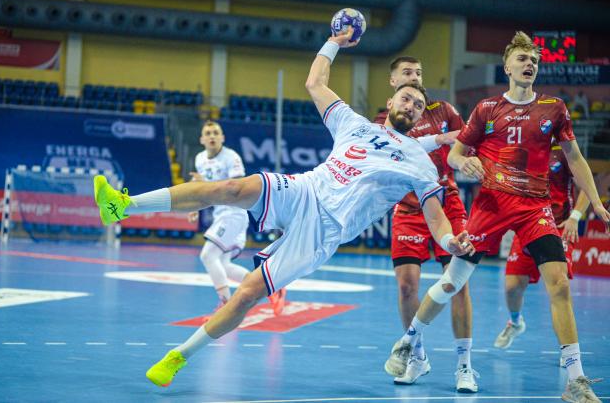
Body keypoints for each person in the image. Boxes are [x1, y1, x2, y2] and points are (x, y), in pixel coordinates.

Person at [92, 27, 475, 387]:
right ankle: (123, 206)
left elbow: (435, 215)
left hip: (323, 232)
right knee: (230, 187)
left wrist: (448, 241)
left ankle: (178, 356)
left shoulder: (419, 162)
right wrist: (334, 42)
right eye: (406, 98)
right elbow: (315, 83)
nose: (411, 106)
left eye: (418, 105)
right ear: (390, 102)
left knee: (248, 292)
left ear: (421, 116)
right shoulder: (354, 123)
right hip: (304, 189)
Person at [385, 31, 609, 403]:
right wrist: (464, 162)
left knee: (559, 285)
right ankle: (409, 340)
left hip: (535, 209)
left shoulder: (554, 108)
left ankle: (576, 380)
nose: (529, 64)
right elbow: (455, 154)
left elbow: (575, 158)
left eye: (533, 60)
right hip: (491, 207)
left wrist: (595, 203)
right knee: (452, 282)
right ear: (507, 66)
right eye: (522, 59)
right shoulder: (487, 109)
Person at [377, 57, 477, 391]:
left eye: (419, 72)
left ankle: (464, 365)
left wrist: (461, 153)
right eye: (407, 73)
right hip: (408, 208)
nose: (415, 77)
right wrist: (441, 138)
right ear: (393, 83)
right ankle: (416, 356)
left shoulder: (442, 110)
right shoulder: (384, 120)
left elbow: (463, 147)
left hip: (446, 201)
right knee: (407, 286)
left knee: (458, 283)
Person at [495, 142, 590, 358]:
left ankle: (568, 351)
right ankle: (515, 322)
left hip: (558, 227)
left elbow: (586, 184)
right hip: (528, 224)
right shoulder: (524, 146)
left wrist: (575, 217)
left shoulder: (565, 150)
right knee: (512, 288)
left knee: (559, 287)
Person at [187, 121, 285, 314]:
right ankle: (272, 289)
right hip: (220, 215)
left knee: (208, 255)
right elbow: (198, 183)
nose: (212, 136)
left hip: (234, 213)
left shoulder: (231, 157)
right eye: (208, 133)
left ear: (222, 137)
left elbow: (235, 188)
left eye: (216, 132)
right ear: (202, 139)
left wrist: (204, 183)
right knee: (223, 265)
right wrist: (194, 207)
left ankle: (225, 305)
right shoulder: (200, 158)